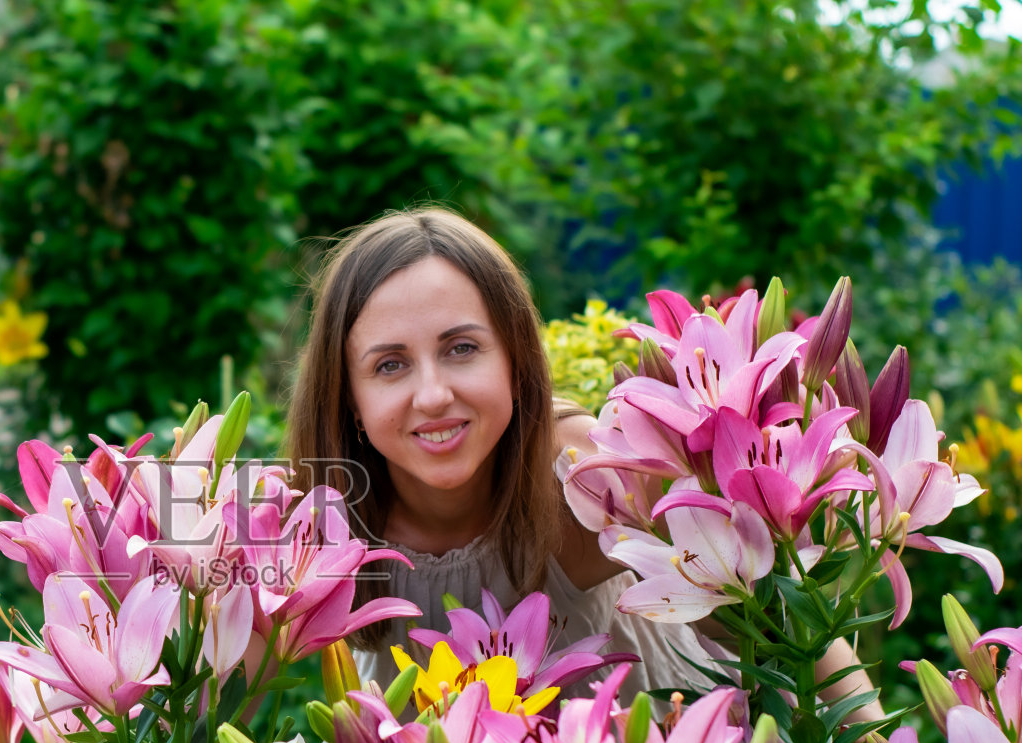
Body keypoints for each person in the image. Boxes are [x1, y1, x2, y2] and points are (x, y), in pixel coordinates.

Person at [283, 206, 875, 709]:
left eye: (462, 349)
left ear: (516, 361)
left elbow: (784, 635)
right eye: (390, 364)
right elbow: (205, 702)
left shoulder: (588, 473)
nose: (434, 394)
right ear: (348, 397)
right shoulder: (313, 521)